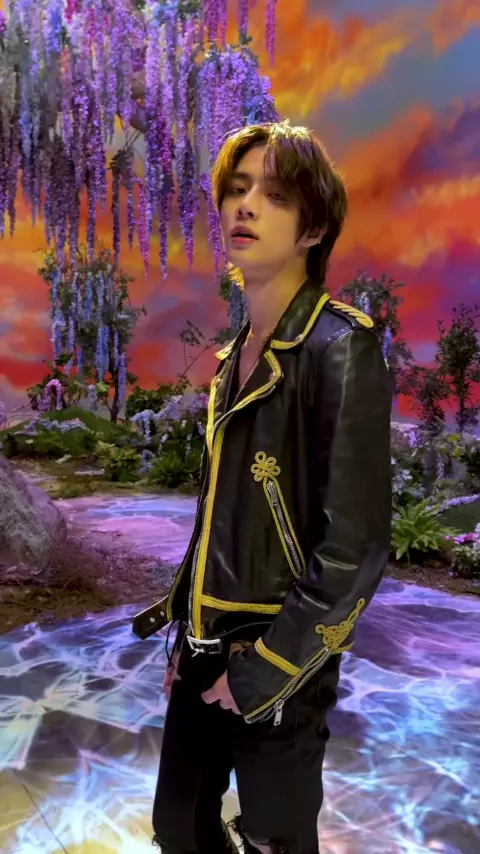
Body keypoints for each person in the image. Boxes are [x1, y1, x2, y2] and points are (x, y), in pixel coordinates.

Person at [149, 121, 392, 854]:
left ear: (313, 228)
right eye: (236, 188)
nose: (245, 205)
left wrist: (267, 670)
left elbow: (355, 547)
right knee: (178, 828)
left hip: (279, 652)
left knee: (274, 840)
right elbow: (219, 512)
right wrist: (184, 626)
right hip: (205, 641)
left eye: (275, 194)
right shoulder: (233, 359)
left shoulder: (340, 347)